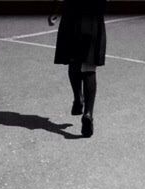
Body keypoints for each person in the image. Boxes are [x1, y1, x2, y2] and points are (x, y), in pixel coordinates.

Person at [49, 0, 106, 138]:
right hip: (91, 15)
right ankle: (88, 113)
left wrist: (56, 9)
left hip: (71, 15)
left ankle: (78, 98)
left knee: (73, 59)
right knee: (88, 66)